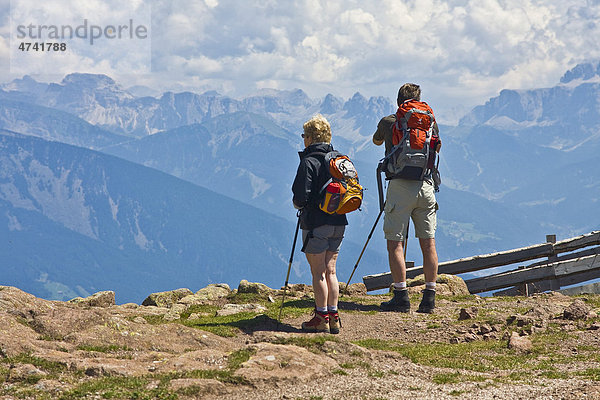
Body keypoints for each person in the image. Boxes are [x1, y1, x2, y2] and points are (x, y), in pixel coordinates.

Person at [372, 83, 441, 313]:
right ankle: (429, 297)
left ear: (398, 101)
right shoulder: (429, 121)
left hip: (400, 187)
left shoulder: (389, 121)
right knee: (428, 243)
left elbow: (376, 141)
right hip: (425, 184)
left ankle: (401, 296)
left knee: (395, 243)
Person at [292, 114, 347, 333]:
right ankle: (333, 316)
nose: (303, 139)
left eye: (304, 135)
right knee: (331, 271)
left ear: (311, 137)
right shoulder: (338, 160)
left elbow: (300, 198)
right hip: (339, 222)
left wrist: (299, 205)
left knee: (319, 273)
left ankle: (320, 318)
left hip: (316, 223)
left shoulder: (309, 161)